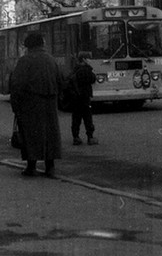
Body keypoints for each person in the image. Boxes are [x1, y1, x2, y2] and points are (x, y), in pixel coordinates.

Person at [9, 32, 62, 178]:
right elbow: (60, 81)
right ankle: (50, 167)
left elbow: (17, 84)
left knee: (31, 135)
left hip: (30, 104)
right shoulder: (51, 60)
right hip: (50, 103)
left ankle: (31, 166)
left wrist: (16, 104)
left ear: (28, 46)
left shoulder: (25, 61)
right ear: (42, 44)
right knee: (50, 135)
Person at [69, 51, 98, 146]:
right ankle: (90, 137)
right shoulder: (86, 70)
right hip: (84, 97)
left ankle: (76, 137)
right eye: (89, 58)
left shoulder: (75, 69)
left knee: (76, 118)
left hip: (75, 98)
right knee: (87, 118)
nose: (90, 60)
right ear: (84, 60)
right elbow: (93, 78)